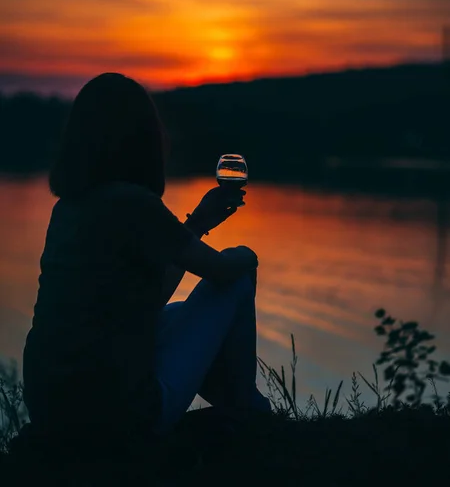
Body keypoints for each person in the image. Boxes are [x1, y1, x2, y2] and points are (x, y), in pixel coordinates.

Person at [22, 72, 271, 445]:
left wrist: (200, 222)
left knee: (173, 313)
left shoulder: (70, 208)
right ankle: (245, 412)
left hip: (52, 411)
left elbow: (149, 298)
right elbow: (220, 271)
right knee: (237, 270)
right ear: (142, 137)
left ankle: (238, 406)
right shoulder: (132, 203)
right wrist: (249, 258)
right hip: (123, 418)